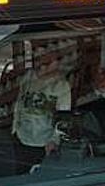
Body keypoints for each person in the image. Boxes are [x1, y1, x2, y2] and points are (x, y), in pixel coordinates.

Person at [11, 45, 71, 174]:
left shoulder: (61, 85)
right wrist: (14, 129)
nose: (43, 67)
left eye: (48, 63)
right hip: (22, 138)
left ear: (56, 63)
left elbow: (63, 116)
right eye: (40, 61)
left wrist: (54, 140)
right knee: (20, 174)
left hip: (44, 143)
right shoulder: (28, 77)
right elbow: (19, 103)